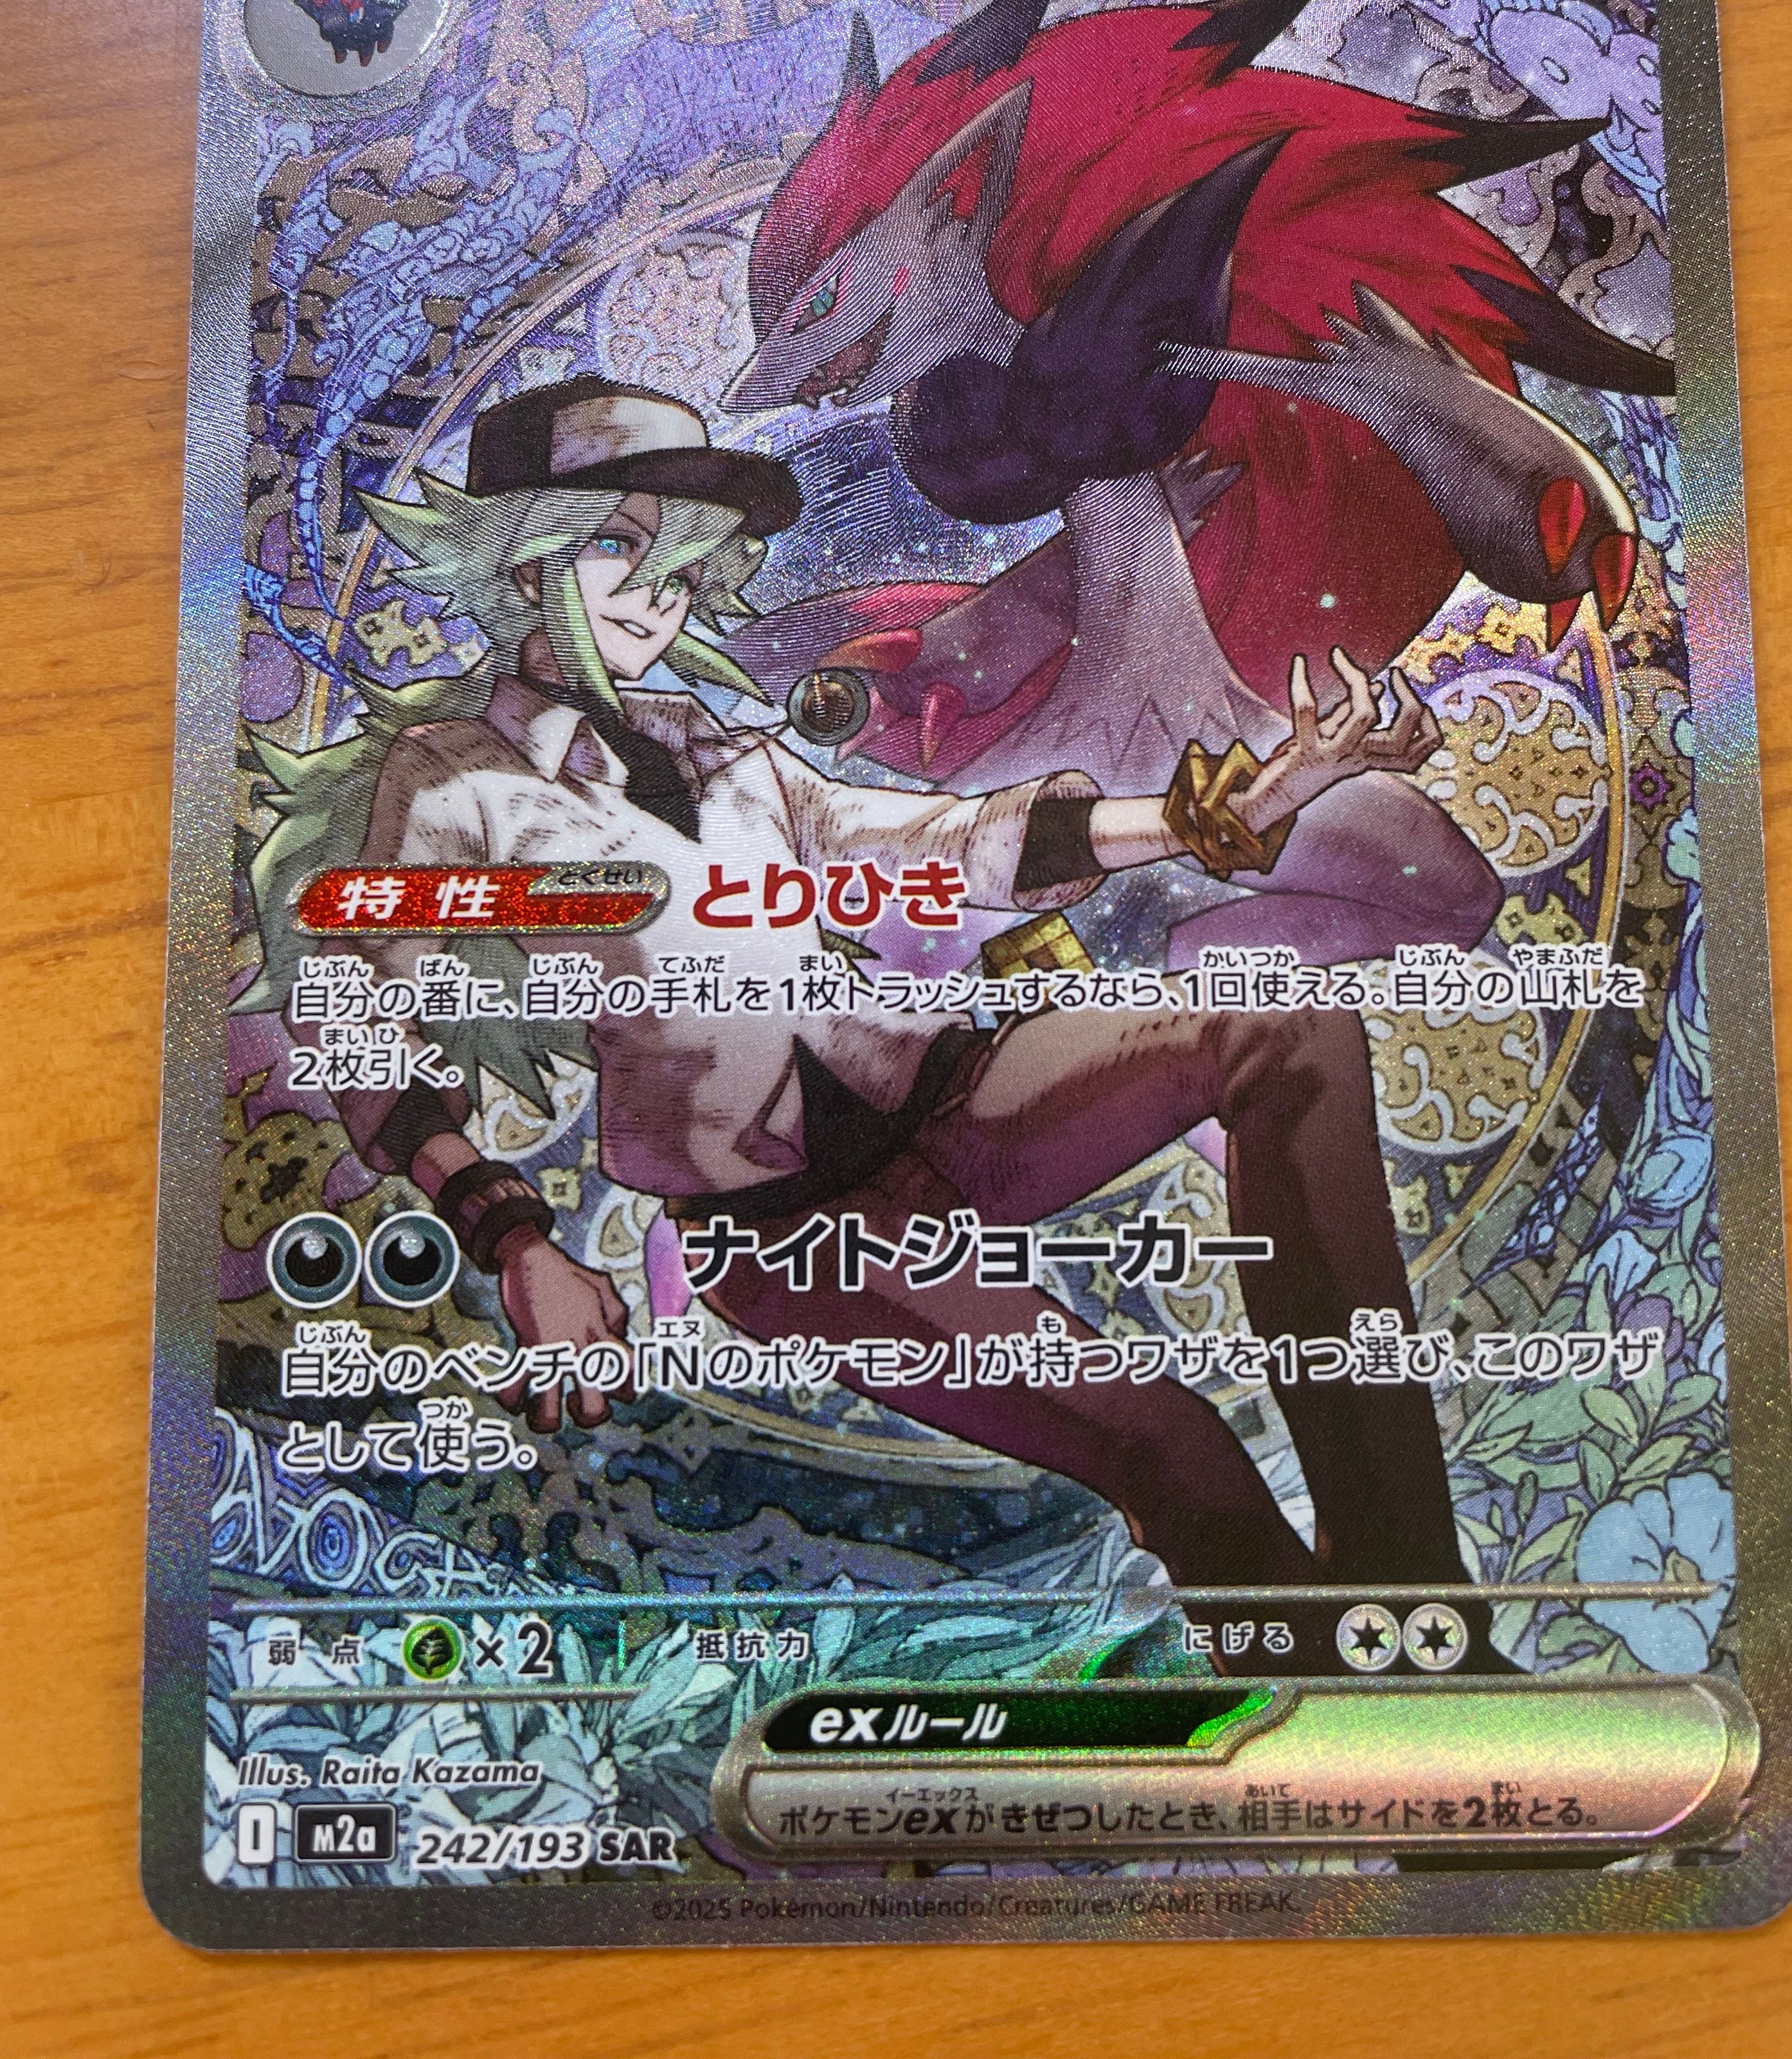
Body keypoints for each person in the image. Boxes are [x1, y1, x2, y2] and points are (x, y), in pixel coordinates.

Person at [249, 377, 1479, 1666]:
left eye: (683, 567)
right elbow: (355, 1009)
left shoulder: (721, 751)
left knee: (1285, 1032)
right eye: (621, 546)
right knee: (1167, 1444)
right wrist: (512, 1240)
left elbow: (937, 840)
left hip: (955, 1100)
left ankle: (1417, 1596)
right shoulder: (456, 785)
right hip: (793, 1232)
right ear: (522, 560)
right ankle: (1329, 1694)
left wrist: (1230, 808)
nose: (658, 597)